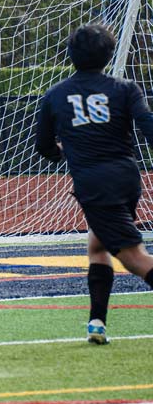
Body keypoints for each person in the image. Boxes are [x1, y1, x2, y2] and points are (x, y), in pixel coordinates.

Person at [35, 24, 153, 344]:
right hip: (128, 177)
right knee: (98, 246)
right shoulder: (125, 88)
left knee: (133, 256)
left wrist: (64, 150)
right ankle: (96, 321)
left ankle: (97, 320)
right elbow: (148, 126)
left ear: (70, 55)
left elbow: (44, 146)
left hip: (93, 183)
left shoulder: (55, 96)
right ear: (108, 54)